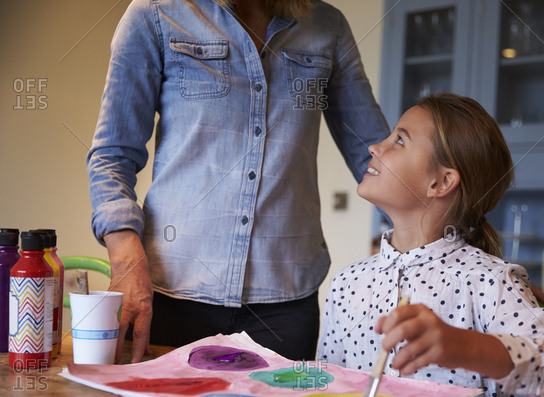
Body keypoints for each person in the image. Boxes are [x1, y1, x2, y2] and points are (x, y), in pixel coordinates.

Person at [87, 0, 389, 363]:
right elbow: (112, 156)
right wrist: (125, 261)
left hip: (285, 305)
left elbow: (373, 157)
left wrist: (443, 233)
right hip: (172, 294)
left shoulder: (328, 28)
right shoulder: (155, 14)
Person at [317, 93, 544, 397]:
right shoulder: (346, 284)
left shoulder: (491, 283)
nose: (374, 146)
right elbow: (328, 393)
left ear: (441, 182)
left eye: (399, 140)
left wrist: (463, 346)